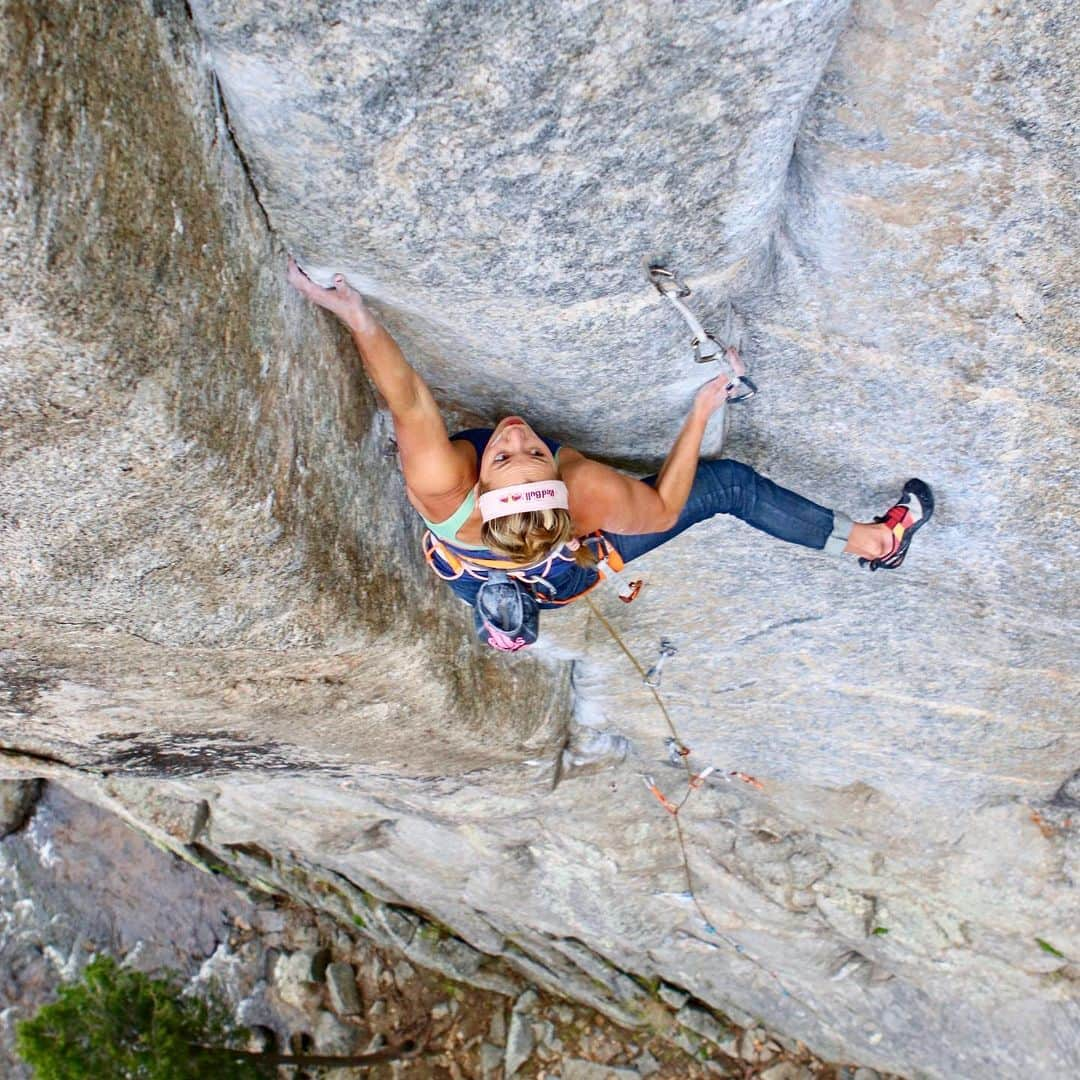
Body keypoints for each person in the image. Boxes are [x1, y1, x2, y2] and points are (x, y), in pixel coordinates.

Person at [287, 259, 933, 649]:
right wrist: (701, 409)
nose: (513, 434)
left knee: (726, 489)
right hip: (556, 573)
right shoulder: (580, 489)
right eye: (522, 453)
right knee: (731, 486)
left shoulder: (443, 486)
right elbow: (660, 508)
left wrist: (357, 316)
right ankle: (879, 544)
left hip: (471, 569)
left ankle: (506, 615)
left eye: (517, 452)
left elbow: (409, 402)